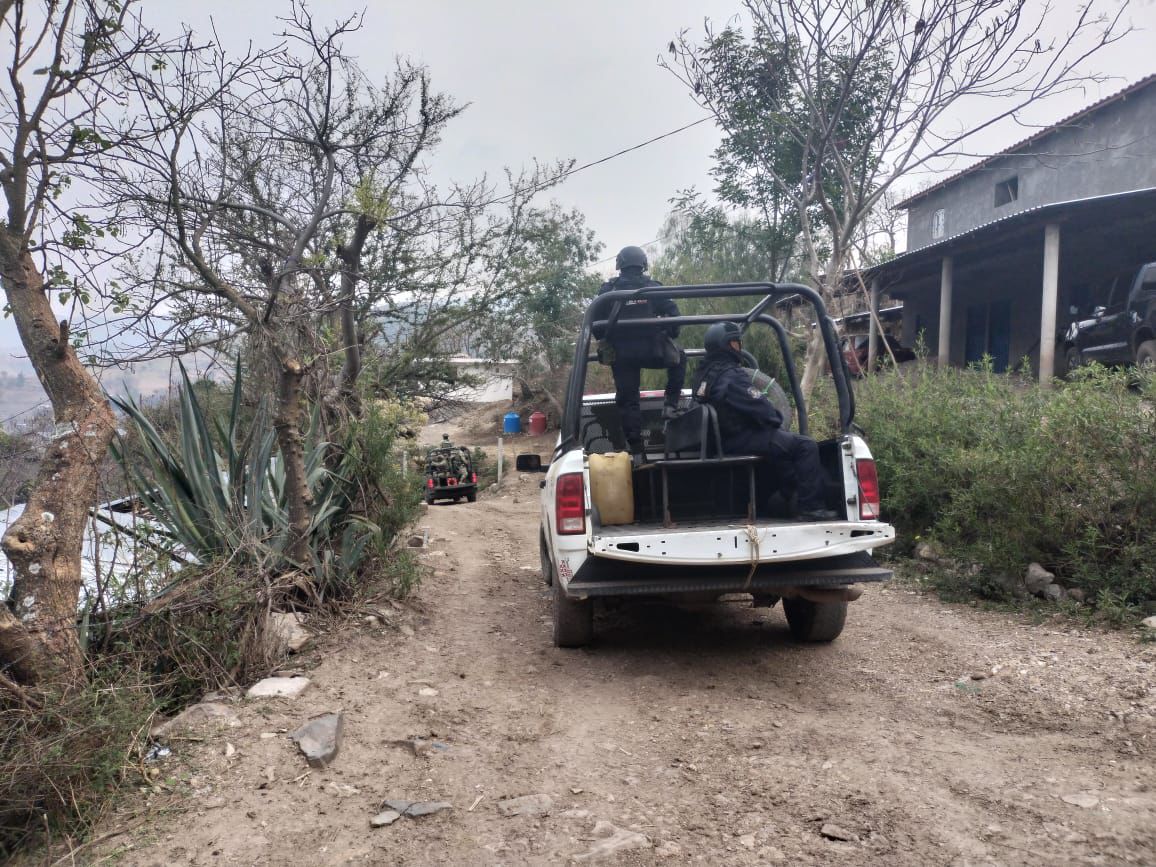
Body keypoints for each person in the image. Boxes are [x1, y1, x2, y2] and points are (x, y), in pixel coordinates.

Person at [691, 322, 837, 521]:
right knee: (805, 445)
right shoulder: (731, 376)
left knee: (782, 447)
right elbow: (763, 410)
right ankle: (811, 508)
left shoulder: (704, 375)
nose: (739, 347)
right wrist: (775, 418)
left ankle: (785, 496)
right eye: (735, 342)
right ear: (725, 345)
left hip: (721, 440)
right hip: (738, 439)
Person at [592, 245, 686, 461]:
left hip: (622, 356)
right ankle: (670, 405)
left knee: (628, 400)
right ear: (643, 264)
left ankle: (637, 451)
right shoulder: (654, 288)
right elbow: (676, 325)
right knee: (681, 357)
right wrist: (662, 329)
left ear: (620, 265)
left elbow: (596, 326)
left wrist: (612, 341)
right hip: (653, 351)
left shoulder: (608, 291)